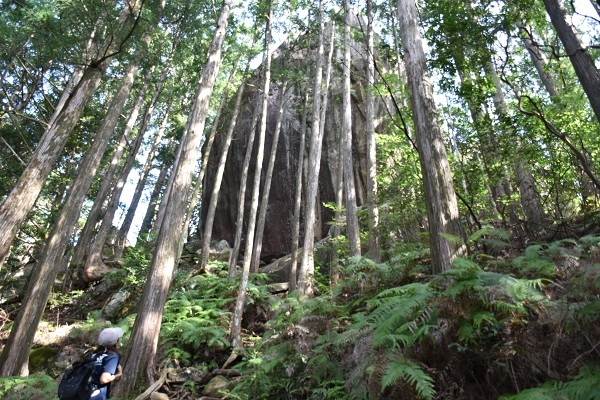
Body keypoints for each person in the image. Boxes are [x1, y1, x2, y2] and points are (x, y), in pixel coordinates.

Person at [90, 327, 124, 400]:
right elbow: (104, 379)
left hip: (84, 393)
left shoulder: (93, 355)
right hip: (97, 395)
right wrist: (119, 374)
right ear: (116, 342)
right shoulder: (112, 357)